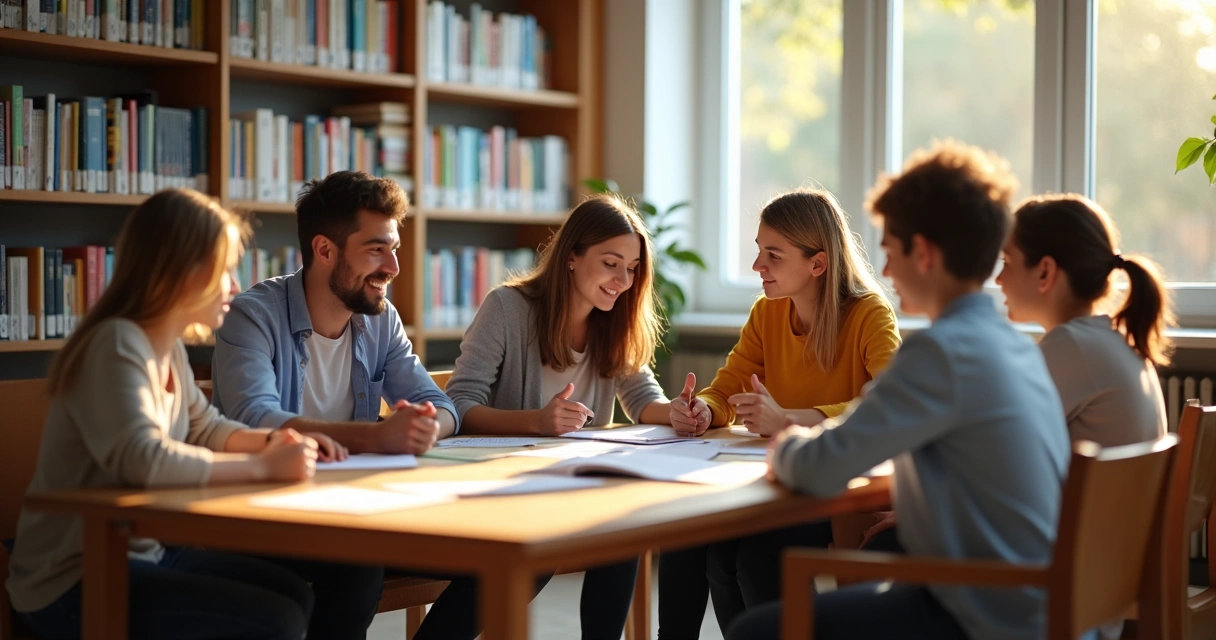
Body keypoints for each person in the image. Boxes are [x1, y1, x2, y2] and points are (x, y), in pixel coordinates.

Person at [727, 141, 1072, 640]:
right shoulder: (1015, 348)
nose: (884, 272)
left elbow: (820, 468)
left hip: (977, 613)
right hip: (1037, 602)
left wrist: (786, 440)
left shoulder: (938, 355)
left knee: (751, 631)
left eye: (889, 252)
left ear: (924, 254)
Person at [5, 189, 320, 639]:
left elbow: (204, 426)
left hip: (143, 550)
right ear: (183, 270)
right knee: (278, 618)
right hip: (75, 575)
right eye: (225, 268)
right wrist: (262, 466)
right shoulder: (116, 343)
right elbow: (142, 458)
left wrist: (275, 442)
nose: (234, 285)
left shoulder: (166, 344)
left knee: (296, 594)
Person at [212, 171, 458, 638]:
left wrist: (426, 425)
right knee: (357, 566)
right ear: (324, 250)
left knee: (500, 551)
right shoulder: (251, 316)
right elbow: (254, 419)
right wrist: (378, 436)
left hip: (358, 507)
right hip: (268, 514)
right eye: (375, 249)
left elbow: (439, 403)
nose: (393, 267)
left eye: (394, 249)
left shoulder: (380, 318)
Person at [659, 189, 900, 638]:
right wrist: (703, 411)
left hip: (838, 485)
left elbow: (888, 403)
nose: (757, 267)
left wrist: (791, 418)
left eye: (773, 254)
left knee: (753, 556)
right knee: (694, 540)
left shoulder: (869, 313)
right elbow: (727, 387)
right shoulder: (766, 312)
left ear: (818, 264)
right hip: (777, 479)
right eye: (758, 251)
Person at [444, 193, 682, 640]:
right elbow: (459, 406)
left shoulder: (614, 320)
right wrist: (536, 422)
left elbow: (641, 397)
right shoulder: (507, 308)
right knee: (542, 547)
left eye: (631, 269)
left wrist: (680, 413)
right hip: (496, 486)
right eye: (611, 263)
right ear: (572, 256)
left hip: (562, 486)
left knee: (622, 526)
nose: (622, 281)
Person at [996, 193, 1173, 640]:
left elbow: (995, 451)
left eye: (1007, 261)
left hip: (1063, 592)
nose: (998, 279)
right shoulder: (1113, 342)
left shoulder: (1071, 348)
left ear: (1045, 271)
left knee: (889, 543)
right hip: (1104, 585)